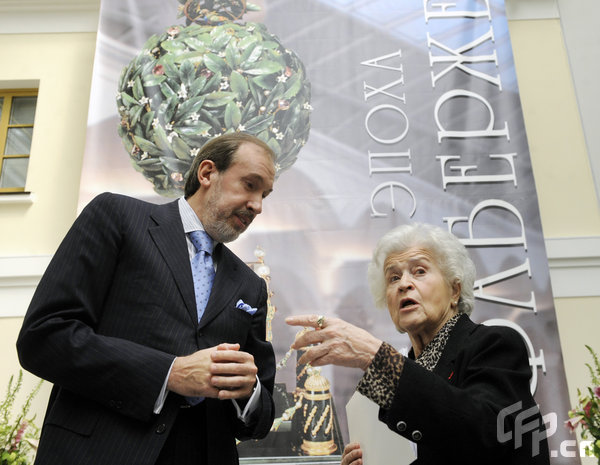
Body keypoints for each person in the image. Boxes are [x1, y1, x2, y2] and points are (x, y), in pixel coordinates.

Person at [17, 133, 277, 465]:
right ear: (208, 173)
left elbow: (262, 414)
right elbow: (45, 336)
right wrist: (170, 373)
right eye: (250, 185)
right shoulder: (117, 217)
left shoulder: (250, 285)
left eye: (264, 194)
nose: (257, 205)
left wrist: (248, 392)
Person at [286, 223, 550, 465]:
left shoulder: (495, 344)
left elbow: (483, 434)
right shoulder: (395, 385)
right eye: (393, 278)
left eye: (419, 271)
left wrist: (375, 356)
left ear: (455, 290)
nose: (404, 284)